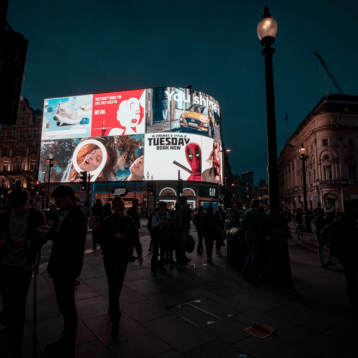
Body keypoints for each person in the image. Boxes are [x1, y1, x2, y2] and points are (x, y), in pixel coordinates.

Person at [38, 185, 88, 356]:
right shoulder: (68, 213)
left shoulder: (78, 215)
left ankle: (68, 341)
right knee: (65, 304)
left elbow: (71, 241)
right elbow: (63, 234)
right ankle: (66, 337)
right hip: (62, 265)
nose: (57, 204)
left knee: (68, 306)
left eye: (59, 201)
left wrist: (50, 235)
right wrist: (50, 230)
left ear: (68, 197)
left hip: (68, 266)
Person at [0, 189, 46, 358]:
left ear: (28, 203)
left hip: (23, 266)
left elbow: (43, 237)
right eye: (15, 207)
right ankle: (10, 338)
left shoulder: (36, 215)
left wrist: (27, 244)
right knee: (7, 302)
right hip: (4, 265)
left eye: (21, 207)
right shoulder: (4, 216)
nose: (18, 211)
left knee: (18, 305)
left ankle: (16, 343)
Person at [98, 197, 143, 328]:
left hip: (123, 257)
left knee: (119, 284)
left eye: (121, 205)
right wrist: (113, 238)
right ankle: (115, 314)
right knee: (113, 284)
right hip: (110, 257)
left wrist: (139, 252)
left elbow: (135, 237)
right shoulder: (107, 221)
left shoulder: (129, 220)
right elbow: (99, 238)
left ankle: (113, 303)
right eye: (117, 205)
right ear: (113, 207)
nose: (120, 207)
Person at [320, 202, 358, 316]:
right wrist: (336, 242)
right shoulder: (342, 221)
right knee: (351, 278)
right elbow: (323, 232)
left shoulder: (351, 221)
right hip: (347, 253)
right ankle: (353, 304)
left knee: (351, 278)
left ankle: (353, 302)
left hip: (352, 251)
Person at [241, 199, 265, 280]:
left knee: (250, 252)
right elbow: (261, 228)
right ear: (257, 205)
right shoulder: (259, 214)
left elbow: (242, 226)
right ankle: (252, 272)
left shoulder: (246, 213)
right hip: (256, 236)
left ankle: (245, 267)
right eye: (259, 204)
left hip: (247, 236)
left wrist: (245, 233)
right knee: (255, 254)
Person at [151, 202, 171, 274]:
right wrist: (161, 222)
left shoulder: (167, 214)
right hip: (157, 236)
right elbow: (152, 225)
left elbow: (170, 223)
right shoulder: (156, 215)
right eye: (162, 208)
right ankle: (153, 268)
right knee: (155, 252)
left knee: (163, 252)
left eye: (164, 208)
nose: (163, 210)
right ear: (159, 208)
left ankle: (161, 267)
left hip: (164, 236)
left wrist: (168, 222)